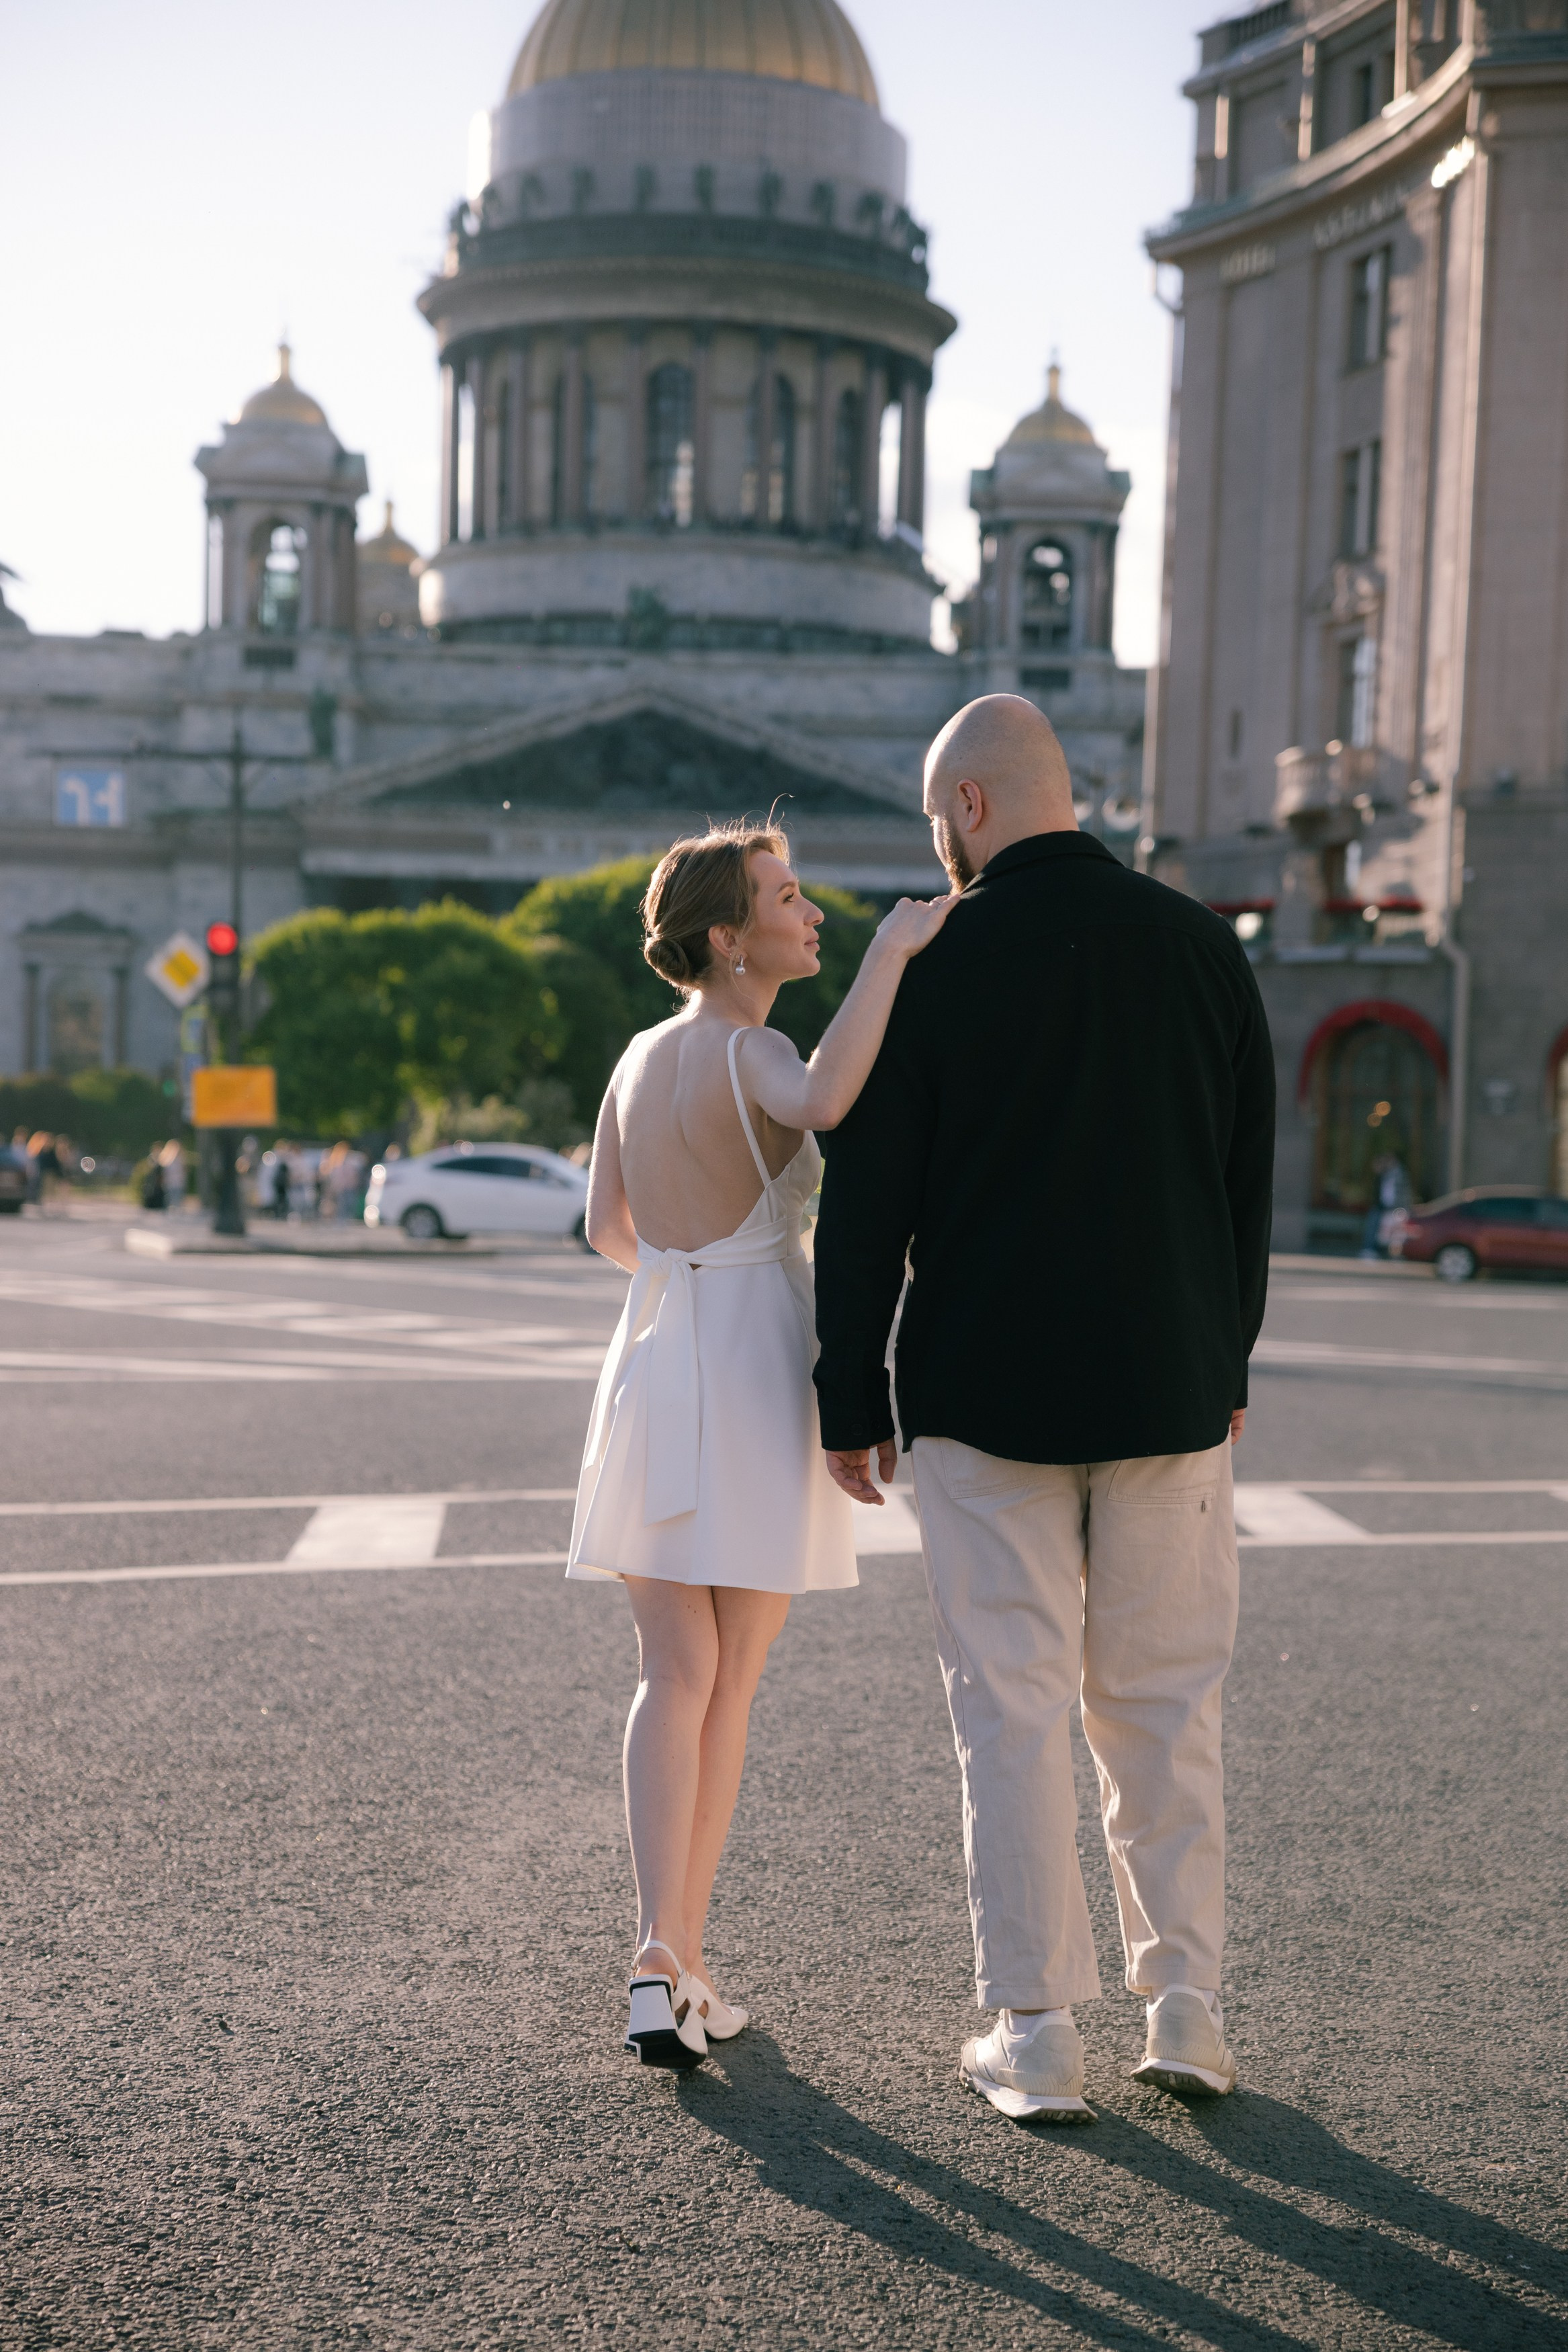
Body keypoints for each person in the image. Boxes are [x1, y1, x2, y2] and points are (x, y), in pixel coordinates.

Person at [813, 696, 1276, 2124]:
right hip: (1172, 1388)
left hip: (981, 1396)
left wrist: (851, 1389)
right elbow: (1240, 1186)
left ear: (965, 811)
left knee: (1009, 1712)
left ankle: (1036, 2032)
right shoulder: (1206, 948)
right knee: (1165, 1706)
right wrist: (1230, 1359)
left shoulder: (940, 966)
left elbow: (866, 1204)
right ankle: (1185, 2007)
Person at [571, 821, 953, 2072]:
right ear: (729, 937)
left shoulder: (635, 1055)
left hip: (653, 1353)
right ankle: (676, 1951)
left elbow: (605, 1229)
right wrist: (894, 956)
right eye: (788, 898)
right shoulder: (757, 1046)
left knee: (667, 1670)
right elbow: (823, 1102)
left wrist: (686, 1278)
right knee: (727, 1683)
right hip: (743, 1365)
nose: (814, 913)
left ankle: (658, 1958)